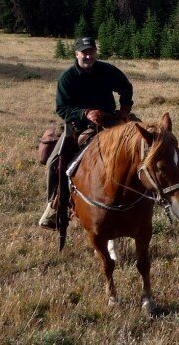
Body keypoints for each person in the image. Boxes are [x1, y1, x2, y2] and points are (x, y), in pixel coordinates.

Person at [38, 36, 134, 229]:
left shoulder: (107, 70)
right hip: (79, 124)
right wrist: (85, 113)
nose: (88, 55)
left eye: (91, 51)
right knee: (55, 162)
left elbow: (126, 87)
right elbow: (62, 108)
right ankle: (54, 208)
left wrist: (124, 109)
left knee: (141, 144)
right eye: (84, 52)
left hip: (110, 119)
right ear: (76, 54)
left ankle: (147, 195)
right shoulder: (68, 78)